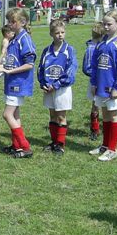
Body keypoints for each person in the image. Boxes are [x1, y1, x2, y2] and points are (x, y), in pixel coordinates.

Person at [0, 8, 36, 159]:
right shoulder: (15, 39)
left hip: (18, 83)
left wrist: (9, 71)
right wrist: (1, 68)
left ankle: (25, 146)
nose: (10, 24)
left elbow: (29, 64)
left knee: (7, 114)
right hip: (11, 82)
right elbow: (11, 62)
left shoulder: (25, 38)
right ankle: (17, 146)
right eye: (9, 21)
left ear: (23, 22)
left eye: (13, 21)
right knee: (15, 115)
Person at [89, 11, 117, 161]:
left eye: (109, 24)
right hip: (101, 86)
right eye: (104, 24)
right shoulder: (101, 43)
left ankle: (113, 149)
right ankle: (105, 145)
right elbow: (94, 65)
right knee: (105, 115)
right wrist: (94, 83)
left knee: (114, 115)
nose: (106, 27)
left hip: (113, 88)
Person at [38, 19, 78, 155]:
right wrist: (43, 83)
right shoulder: (47, 51)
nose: (60, 35)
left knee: (61, 116)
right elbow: (40, 69)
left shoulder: (69, 50)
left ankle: (60, 144)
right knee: (52, 115)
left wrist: (56, 85)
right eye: (57, 33)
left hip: (62, 88)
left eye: (62, 32)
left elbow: (71, 71)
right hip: (48, 88)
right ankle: (54, 141)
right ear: (51, 34)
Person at [82, 22, 105, 141]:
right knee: (95, 105)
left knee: (104, 103)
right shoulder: (91, 49)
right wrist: (97, 74)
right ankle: (94, 128)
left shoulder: (103, 46)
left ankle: (104, 126)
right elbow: (87, 68)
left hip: (105, 81)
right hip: (95, 81)